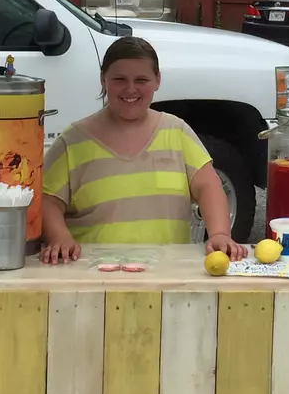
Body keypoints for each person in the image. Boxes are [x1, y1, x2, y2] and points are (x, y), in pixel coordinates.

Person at [39, 36, 248, 264]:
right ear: (103, 79)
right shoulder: (72, 141)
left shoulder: (177, 132)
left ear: (157, 80)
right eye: (119, 79)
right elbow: (47, 201)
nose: (130, 89)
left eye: (141, 79)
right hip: (93, 274)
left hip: (167, 273)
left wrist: (219, 234)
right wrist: (60, 238)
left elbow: (209, 186)